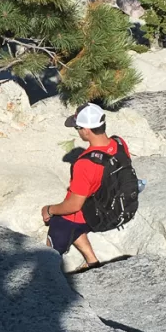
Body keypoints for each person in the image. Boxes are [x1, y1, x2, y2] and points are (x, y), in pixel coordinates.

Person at [41, 103, 132, 273]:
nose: (77, 131)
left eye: (77, 128)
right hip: (111, 206)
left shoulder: (85, 163)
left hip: (85, 215)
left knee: (58, 232)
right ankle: (92, 262)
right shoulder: (119, 143)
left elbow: (74, 206)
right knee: (75, 223)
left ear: (86, 130)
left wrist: (49, 210)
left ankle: (49, 279)